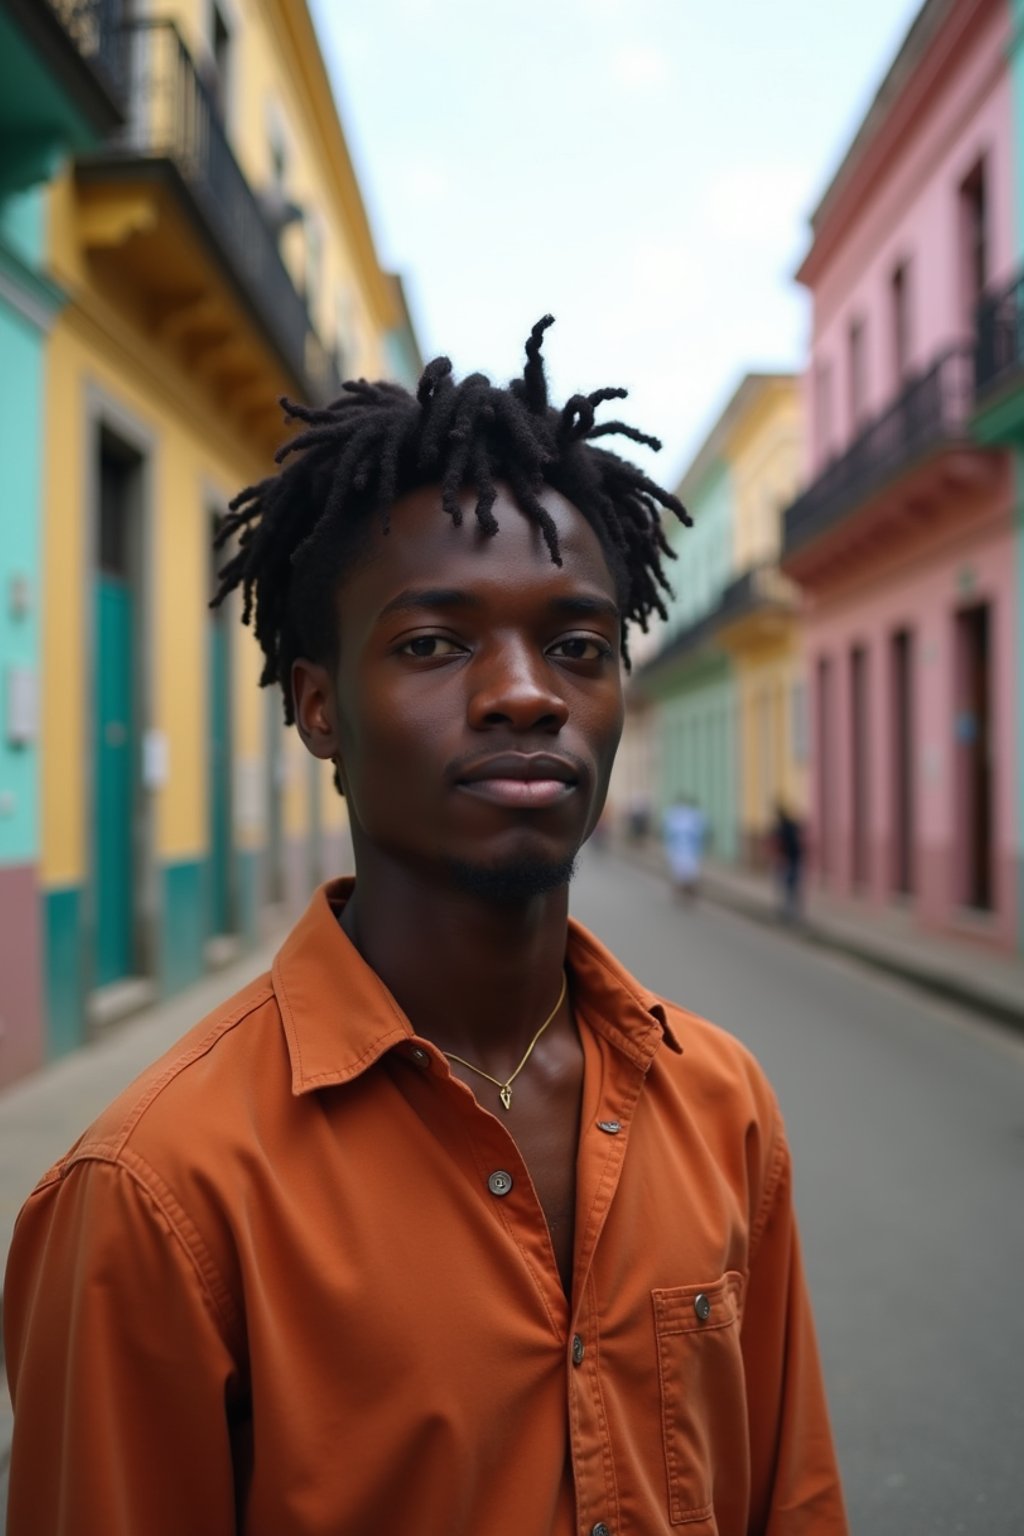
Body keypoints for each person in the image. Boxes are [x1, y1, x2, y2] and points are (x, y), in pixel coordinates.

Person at [4, 319, 848, 1535]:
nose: (524, 692)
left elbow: (794, 1501)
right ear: (318, 709)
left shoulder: (722, 1105)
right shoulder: (154, 1194)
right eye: (433, 643)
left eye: (577, 645)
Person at [662, 792, 707, 901]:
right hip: (689, 850)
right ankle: (686, 891)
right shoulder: (695, 815)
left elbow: (667, 832)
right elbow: (702, 833)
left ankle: (684, 890)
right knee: (689, 872)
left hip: (681, 849)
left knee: (682, 872)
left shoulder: (673, 815)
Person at [773, 799, 805, 923]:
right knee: (791, 887)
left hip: (789, 861)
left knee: (788, 887)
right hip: (792, 860)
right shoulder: (790, 826)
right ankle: (791, 912)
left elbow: (779, 844)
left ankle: (790, 912)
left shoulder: (784, 827)